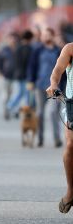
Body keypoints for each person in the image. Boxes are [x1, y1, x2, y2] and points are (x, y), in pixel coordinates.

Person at [46, 41, 73, 213]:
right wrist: (54, 84)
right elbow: (57, 70)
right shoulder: (70, 48)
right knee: (71, 145)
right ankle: (71, 190)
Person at [27, 28, 63, 147]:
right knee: (40, 113)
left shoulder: (59, 51)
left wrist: (62, 87)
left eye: (48, 35)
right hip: (40, 85)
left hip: (55, 87)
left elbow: (64, 70)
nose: (45, 37)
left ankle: (57, 138)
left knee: (53, 112)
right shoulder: (38, 50)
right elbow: (32, 66)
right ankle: (40, 138)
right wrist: (30, 81)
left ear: (52, 36)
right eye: (44, 35)